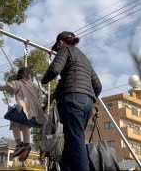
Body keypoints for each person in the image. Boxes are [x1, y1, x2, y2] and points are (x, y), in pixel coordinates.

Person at [41, 31, 102, 171]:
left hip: (72, 100)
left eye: (58, 46)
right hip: (87, 103)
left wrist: (43, 80)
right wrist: (88, 98)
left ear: (60, 42)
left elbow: (55, 68)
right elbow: (98, 86)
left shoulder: (65, 50)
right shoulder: (84, 58)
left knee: (76, 139)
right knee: (70, 142)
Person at [0, 67, 47, 160]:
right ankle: (27, 144)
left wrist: (2, 88)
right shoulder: (36, 87)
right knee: (25, 125)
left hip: (23, 108)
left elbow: (10, 86)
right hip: (36, 113)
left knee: (14, 123)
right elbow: (40, 99)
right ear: (29, 76)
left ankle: (19, 145)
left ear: (21, 76)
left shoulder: (19, 83)